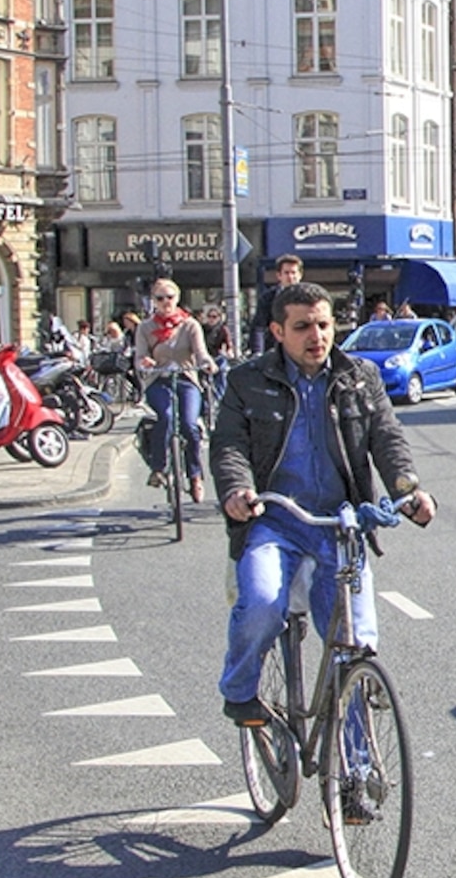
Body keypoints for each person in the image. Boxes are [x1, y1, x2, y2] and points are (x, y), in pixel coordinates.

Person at [213, 282, 433, 725]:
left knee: (354, 648)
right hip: (273, 523)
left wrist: (408, 491)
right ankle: (239, 692)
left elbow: (387, 439)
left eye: (324, 324)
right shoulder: (247, 382)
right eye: (303, 327)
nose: (317, 336)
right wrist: (237, 490)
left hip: (340, 526)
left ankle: (355, 770)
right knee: (261, 604)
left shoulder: (359, 377)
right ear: (277, 330)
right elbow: (229, 447)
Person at [136, 279, 215, 496]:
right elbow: (139, 356)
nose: (165, 302)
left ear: (177, 299)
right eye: (160, 298)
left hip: (185, 379)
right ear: (154, 301)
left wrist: (207, 363)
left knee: (189, 424)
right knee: (167, 416)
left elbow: (200, 352)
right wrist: (144, 362)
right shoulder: (145, 328)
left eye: (169, 297)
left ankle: (195, 475)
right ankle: (159, 468)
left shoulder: (190, 325)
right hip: (158, 380)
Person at [248, 256, 306, 355]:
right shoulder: (268, 298)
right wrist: (258, 352)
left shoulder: (307, 298)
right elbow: (259, 327)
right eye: (286, 273)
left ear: (300, 275)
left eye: (293, 273)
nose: (290, 277)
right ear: (279, 275)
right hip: (275, 351)